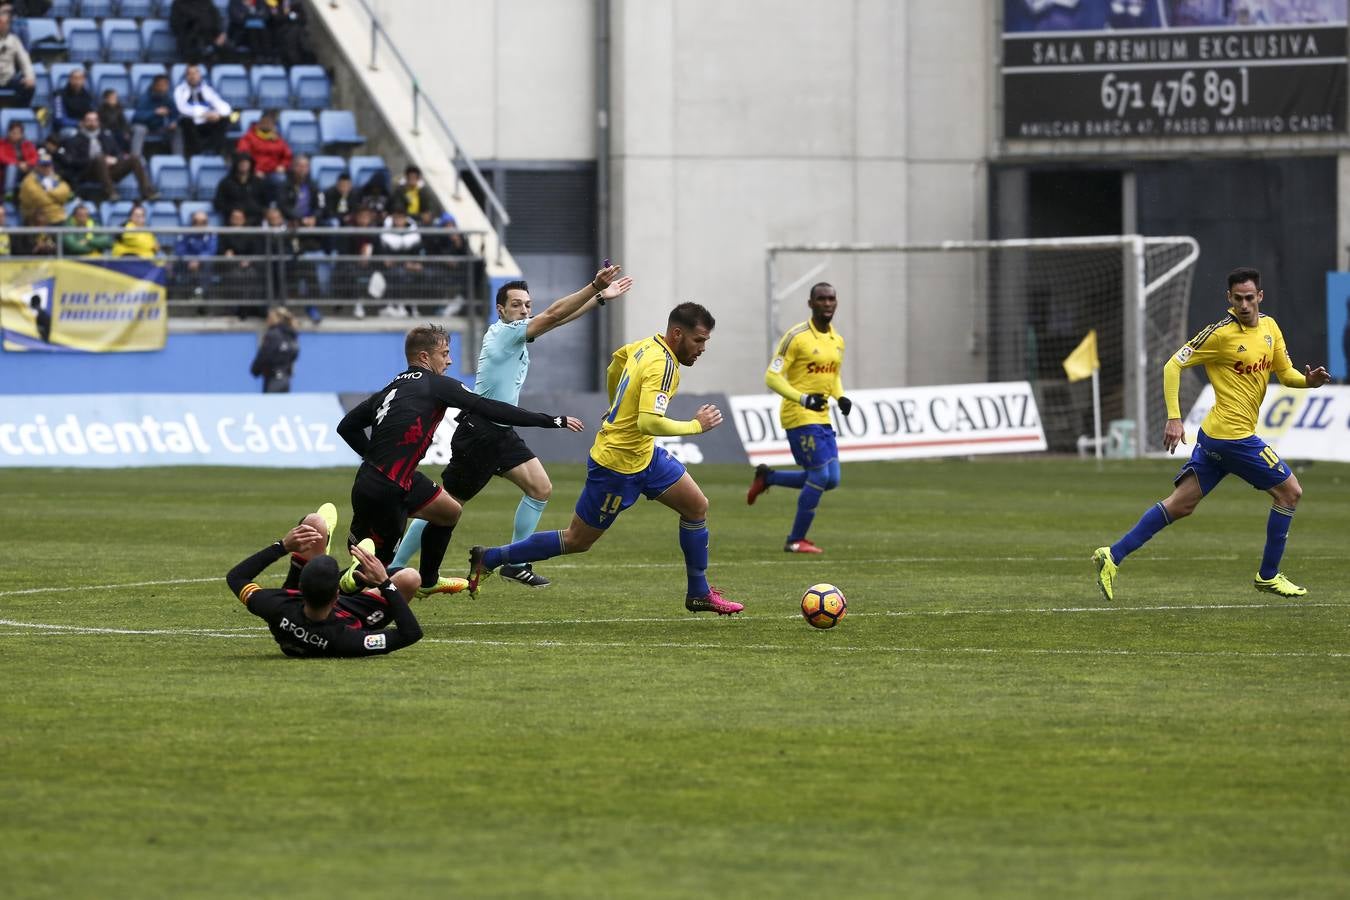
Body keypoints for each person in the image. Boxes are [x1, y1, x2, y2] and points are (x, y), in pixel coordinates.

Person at [466, 303, 743, 616]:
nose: (702, 348)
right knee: (577, 540)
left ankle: (699, 592)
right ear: (677, 334)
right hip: (616, 466)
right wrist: (696, 426)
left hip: (645, 456)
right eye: (699, 341)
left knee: (696, 506)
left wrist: (616, 406)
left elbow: (615, 364)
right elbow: (648, 422)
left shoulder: (644, 345)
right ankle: (490, 558)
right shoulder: (663, 366)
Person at [1093, 266, 1333, 601]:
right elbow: (1172, 365)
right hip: (1232, 438)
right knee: (1290, 493)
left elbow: (1286, 373)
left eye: (1250, 298)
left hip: (1216, 438)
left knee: (1181, 505)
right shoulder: (1219, 334)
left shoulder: (1270, 328)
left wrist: (1307, 382)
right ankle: (1268, 575)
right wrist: (1174, 419)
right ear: (1229, 299)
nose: (1245, 304)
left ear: (1260, 296)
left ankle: (1112, 555)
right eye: (1238, 299)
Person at [392, 266, 635, 588]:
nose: (524, 310)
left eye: (527, 305)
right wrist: (593, 288)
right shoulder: (506, 333)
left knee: (540, 488)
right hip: (479, 434)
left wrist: (600, 298)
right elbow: (552, 315)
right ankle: (395, 564)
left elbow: (556, 319)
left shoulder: (517, 331)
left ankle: (515, 562)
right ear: (501, 309)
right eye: (517, 304)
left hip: (500, 432)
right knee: (443, 505)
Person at [336, 324, 583, 599]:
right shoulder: (436, 385)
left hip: (377, 480)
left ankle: (428, 579)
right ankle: (326, 590)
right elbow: (489, 408)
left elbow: (346, 426)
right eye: (444, 353)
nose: (450, 360)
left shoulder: (392, 388)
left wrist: (374, 459)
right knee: (374, 573)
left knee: (449, 511)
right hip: (388, 489)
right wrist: (550, 420)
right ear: (424, 358)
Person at [225, 507, 426, 659]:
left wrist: (283, 545)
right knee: (410, 578)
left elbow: (236, 577)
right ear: (336, 595)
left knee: (314, 522)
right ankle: (350, 581)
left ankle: (349, 578)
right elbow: (410, 633)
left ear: (299, 589)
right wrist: (384, 582)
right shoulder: (346, 640)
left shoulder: (278, 606)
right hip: (354, 615)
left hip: (305, 607)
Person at [746, 282, 854, 554]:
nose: (827, 303)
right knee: (818, 475)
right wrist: (803, 398)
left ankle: (768, 478)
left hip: (823, 416)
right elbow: (772, 376)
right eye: (821, 299)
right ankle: (795, 540)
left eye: (831, 299)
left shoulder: (837, 340)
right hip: (799, 415)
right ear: (811, 303)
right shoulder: (796, 336)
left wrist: (840, 396)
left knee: (832, 480)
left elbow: (834, 375)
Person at [63, 110, 157, 201]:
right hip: (87, 173)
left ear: (98, 122)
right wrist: (96, 160)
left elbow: (118, 153)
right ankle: (111, 193)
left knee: (134, 159)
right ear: (83, 122)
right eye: (89, 120)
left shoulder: (106, 137)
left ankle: (147, 192)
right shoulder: (74, 140)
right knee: (100, 158)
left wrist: (114, 159)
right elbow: (71, 161)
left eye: (94, 120)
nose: (92, 123)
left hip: (109, 170)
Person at [174, 63, 232, 158]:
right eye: (190, 74)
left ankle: (216, 153)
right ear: (186, 76)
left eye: (195, 73)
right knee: (186, 121)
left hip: (207, 121)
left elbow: (224, 106)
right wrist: (204, 114)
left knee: (225, 120)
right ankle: (196, 156)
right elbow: (182, 109)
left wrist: (218, 114)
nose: (193, 76)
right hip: (192, 122)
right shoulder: (180, 90)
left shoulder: (207, 89)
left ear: (200, 75)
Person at [132, 74, 184, 158]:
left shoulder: (167, 97)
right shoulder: (144, 98)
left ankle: (178, 159)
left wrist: (173, 122)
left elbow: (175, 113)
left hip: (160, 127)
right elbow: (136, 117)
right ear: (155, 85)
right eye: (162, 85)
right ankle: (135, 159)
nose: (165, 87)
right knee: (139, 129)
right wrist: (155, 112)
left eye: (166, 85)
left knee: (177, 129)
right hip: (146, 127)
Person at [172, 209, 217, 304]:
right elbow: (179, 249)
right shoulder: (185, 231)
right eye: (196, 221)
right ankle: (188, 294)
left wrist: (198, 260)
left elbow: (211, 250)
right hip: (185, 263)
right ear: (192, 221)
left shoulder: (211, 232)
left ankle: (201, 295)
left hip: (203, 264)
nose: (200, 224)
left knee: (207, 263)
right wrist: (190, 260)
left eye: (204, 222)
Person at [250, 305, 298, 392]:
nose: (267, 320)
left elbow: (264, 355)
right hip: (285, 379)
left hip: (273, 378)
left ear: (275, 319)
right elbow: (295, 353)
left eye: (269, 317)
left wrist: (255, 370)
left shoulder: (273, 335)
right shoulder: (291, 335)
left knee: (271, 405)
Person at [235, 108, 291, 181]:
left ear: (273, 125)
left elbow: (287, 156)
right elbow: (243, 155)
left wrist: (283, 166)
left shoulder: (278, 140)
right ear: (259, 123)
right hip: (254, 172)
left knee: (281, 179)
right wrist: (254, 170)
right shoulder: (249, 137)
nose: (266, 124)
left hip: (273, 172)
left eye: (269, 122)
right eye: (264, 122)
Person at [17, 150, 70, 226]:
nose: (46, 168)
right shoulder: (29, 180)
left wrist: (49, 192)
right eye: (43, 166)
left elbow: (66, 191)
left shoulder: (55, 178)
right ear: (37, 166)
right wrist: (56, 199)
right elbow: (38, 199)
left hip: (58, 218)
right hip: (36, 219)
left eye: (48, 165)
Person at [213, 152, 267, 223]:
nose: (244, 165)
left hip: (255, 219)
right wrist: (233, 211)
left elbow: (265, 202)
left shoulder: (258, 182)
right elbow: (218, 203)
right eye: (241, 162)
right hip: (232, 220)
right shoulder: (226, 182)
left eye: (246, 162)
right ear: (236, 164)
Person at [0, 10, 35, 108]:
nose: (3, 25)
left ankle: (20, 110)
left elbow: (25, 61)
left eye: (5, 23)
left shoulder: (14, 40)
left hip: (9, 79)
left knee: (29, 86)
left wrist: (29, 76)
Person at [52, 66, 95, 134]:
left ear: (84, 80)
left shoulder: (88, 96)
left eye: (80, 78)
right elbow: (59, 119)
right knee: (74, 133)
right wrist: (78, 123)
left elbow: (92, 113)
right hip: (65, 128)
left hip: (85, 126)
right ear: (70, 79)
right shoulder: (59, 95)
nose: (77, 82)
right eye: (75, 78)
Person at [0, 119, 36, 187]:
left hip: (26, 168)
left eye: (18, 133)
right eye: (13, 133)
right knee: (11, 167)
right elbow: (2, 158)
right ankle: (9, 194)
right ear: (8, 132)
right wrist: (18, 164)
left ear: (22, 134)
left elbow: (35, 157)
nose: (15, 135)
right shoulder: (2, 143)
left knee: (39, 167)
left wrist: (27, 164)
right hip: (7, 170)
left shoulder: (28, 144)